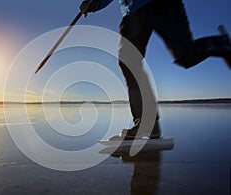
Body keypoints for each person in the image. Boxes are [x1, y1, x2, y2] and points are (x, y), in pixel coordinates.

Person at [79, 0, 231, 140]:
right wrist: (95, 3)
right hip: (133, 12)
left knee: (186, 56)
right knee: (128, 62)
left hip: (164, 4)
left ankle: (221, 44)